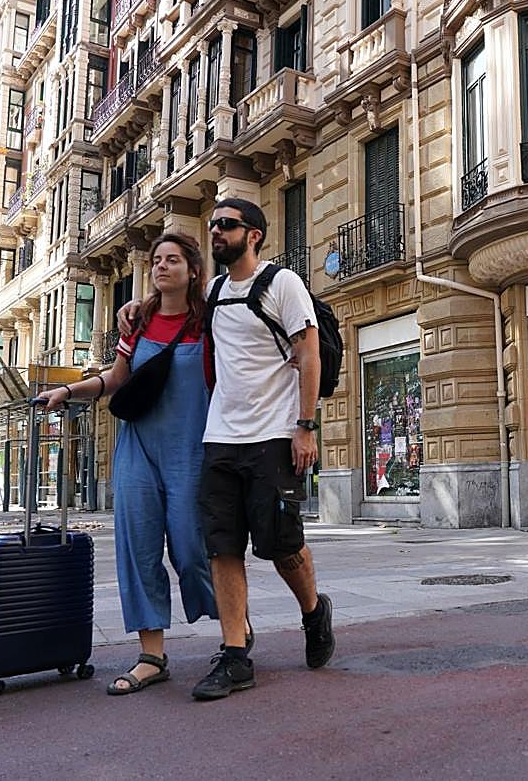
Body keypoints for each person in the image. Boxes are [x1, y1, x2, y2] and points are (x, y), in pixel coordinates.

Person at [119, 198, 332, 701]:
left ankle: (313, 610)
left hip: (274, 436)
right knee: (222, 547)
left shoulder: (283, 284)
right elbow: (172, 305)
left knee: (281, 545)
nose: (216, 232)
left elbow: (308, 352)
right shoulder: (212, 292)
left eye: (227, 226)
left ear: (253, 234)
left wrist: (305, 427)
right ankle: (236, 657)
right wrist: (135, 306)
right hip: (220, 440)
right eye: (213, 225)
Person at [39, 232, 218, 695]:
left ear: (192, 270)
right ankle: (151, 655)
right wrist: (70, 391)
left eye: (173, 259)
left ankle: (232, 624)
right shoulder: (137, 323)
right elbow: (117, 379)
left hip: (191, 450)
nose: (161, 266)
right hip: (137, 447)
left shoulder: (209, 321)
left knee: (192, 550)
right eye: (157, 260)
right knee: (137, 551)